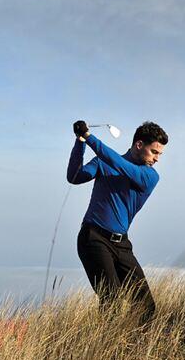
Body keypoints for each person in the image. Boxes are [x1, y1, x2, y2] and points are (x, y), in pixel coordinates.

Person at [67, 120, 167, 323]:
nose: (157, 159)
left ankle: (134, 351)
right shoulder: (103, 162)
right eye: (154, 152)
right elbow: (74, 177)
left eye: (160, 154)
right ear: (139, 145)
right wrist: (80, 143)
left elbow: (120, 165)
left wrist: (89, 137)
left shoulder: (149, 176)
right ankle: (104, 351)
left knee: (146, 306)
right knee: (111, 300)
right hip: (93, 238)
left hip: (122, 245)